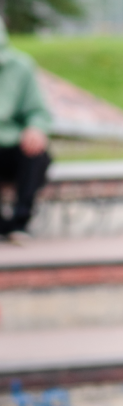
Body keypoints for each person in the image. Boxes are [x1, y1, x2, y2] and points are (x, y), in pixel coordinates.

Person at [0, 18, 51, 240]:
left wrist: (35, 128)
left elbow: (37, 111)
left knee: (36, 155)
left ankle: (19, 223)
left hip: (11, 143)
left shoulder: (20, 66)